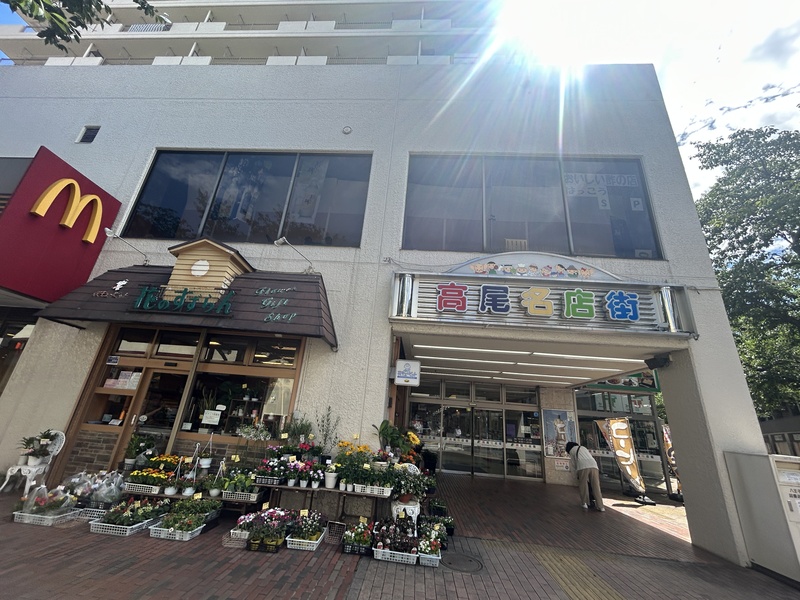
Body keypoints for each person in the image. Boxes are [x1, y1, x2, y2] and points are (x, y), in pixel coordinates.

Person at [565, 441, 605, 512]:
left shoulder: (572, 451)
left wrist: (575, 475)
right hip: (593, 465)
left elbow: (573, 465)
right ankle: (601, 506)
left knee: (583, 485)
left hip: (582, 466)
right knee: (596, 486)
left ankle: (585, 503)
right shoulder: (583, 448)